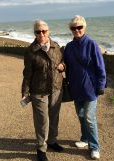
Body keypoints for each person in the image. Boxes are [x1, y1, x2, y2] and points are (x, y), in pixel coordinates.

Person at [64, 15, 106, 160]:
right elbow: (66, 64)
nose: (77, 30)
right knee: (81, 115)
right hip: (75, 87)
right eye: (74, 28)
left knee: (89, 117)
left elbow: (100, 66)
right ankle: (84, 138)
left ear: (84, 27)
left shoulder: (92, 44)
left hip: (90, 88)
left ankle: (94, 147)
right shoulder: (69, 47)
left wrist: (101, 85)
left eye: (79, 27)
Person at [21, 20, 65, 161]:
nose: (41, 34)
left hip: (56, 88)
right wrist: (25, 93)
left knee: (54, 117)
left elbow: (63, 61)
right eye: (38, 31)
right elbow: (27, 73)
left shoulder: (56, 46)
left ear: (48, 31)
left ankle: (52, 141)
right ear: (34, 33)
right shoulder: (30, 51)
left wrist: (63, 66)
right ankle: (41, 148)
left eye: (44, 31)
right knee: (42, 121)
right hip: (38, 91)